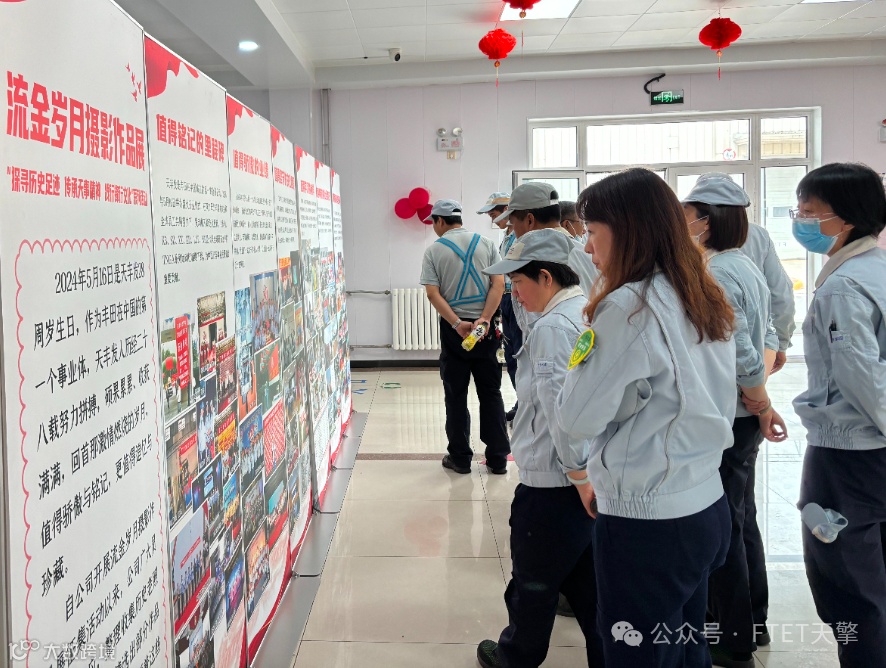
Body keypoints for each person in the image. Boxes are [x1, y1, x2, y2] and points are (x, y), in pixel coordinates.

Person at [556, 168, 736, 668]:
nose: (588, 248)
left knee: (638, 653)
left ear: (627, 230)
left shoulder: (628, 306)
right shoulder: (697, 290)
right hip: (704, 501)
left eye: (593, 232)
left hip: (650, 523)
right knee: (684, 645)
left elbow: (576, 417)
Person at [476, 230, 604, 668]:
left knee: (533, 582)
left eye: (518, 283)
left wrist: (578, 475)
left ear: (546, 277)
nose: (514, 294)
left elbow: (561, 414)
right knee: (590, 585)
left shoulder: (551, 328)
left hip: (554, 482)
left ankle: (516, 658)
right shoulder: (581, 309)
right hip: (581, 479)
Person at [683, 174, 788, 668]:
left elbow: (743, 348)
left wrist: (761, 402)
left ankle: (731, 638)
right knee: (741, 519)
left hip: (732, 414)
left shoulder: (717, 272)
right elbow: (763, 335)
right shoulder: (741, 262)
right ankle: (752, 620)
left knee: (722, 527)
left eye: (688, 215)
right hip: (742, 415)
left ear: (706, 222)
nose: (682, 223)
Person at [790, 163, 886, 668]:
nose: (800, 221)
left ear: (844, 219)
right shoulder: (876, 269)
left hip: (849, 453)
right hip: (872, 448)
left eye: (809, 212)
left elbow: (861, 377)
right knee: (875, 576)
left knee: (848, 583)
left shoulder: (843, 287)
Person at [420, 199, 510, 475]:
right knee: (491, 393)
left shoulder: (434, 251)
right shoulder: (487, 244)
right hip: (486, 329)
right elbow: (498, 284)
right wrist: (485, 319)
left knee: (456, 394)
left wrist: (458, 323)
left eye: (433, 222)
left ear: (439, 221)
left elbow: (433, 293)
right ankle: (498, 458)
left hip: (454, 330)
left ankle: (460, 458)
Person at [479, 192, 520, 422]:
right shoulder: (507, 237)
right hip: (506, 298)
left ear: (507, 210)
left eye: (494, 214)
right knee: (512, 354)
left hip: (516, 297)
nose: (493, 220)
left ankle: (526, 404)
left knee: (519, 353)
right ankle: (522, 402)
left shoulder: (520, 237)